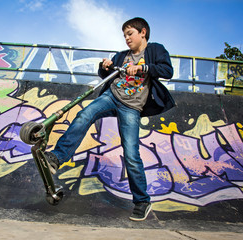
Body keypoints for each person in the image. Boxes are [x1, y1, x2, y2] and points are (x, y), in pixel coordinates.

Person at [44, 17, 175, 221]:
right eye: (124, 35)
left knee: (131, 153)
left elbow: (167, 71)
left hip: (132, 107)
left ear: (143, 32)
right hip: (112, 96)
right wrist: (105, 66)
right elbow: (106, 73)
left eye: (130, 34)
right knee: (84, 114)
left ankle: (142, 201)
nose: (126, 39)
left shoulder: (156, 50)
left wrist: (142, 68)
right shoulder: (122, 55)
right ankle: (57, 157)